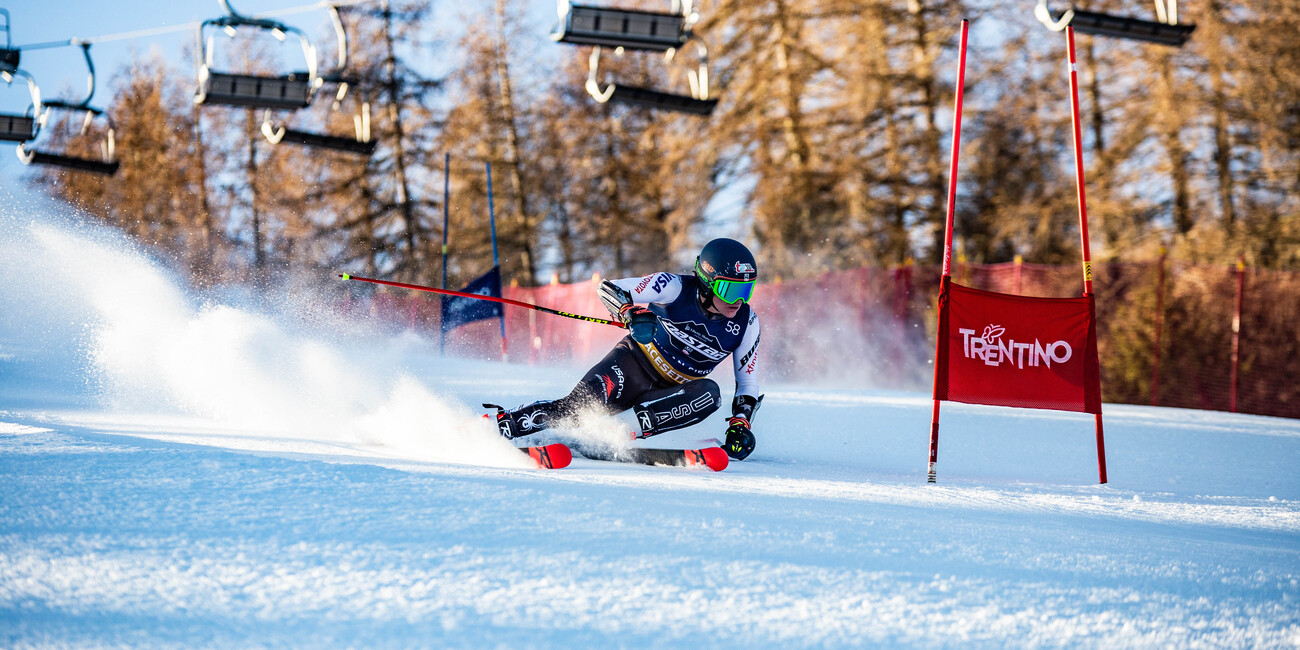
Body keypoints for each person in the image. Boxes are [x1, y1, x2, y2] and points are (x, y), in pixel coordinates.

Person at [484, 238, 764, 460]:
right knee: (575, 410)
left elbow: (747, 383)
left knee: (709, 395)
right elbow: (610, 288)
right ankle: (499, 425)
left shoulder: (747, 324)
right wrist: (629, 312)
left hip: (669, 394)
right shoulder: (674, 287)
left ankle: (615, 434)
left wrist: (740, 423)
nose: (738, 301)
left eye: (746, 290)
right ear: (706, 283)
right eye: (730, 291)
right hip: (629, 367)